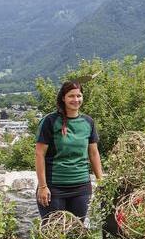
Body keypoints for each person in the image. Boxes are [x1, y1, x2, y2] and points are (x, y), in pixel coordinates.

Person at [34, 81, 103, 220]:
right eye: (71, 96)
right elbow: (39, 154)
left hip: (81, 188)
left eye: (79, 96)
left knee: (76, 232)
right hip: (54, 188)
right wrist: (42, 186)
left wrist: (101, 181)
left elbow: (94, 154)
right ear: (63, 98)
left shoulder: (88, 122)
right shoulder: (50, 121)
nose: (76, 100)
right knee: (54, 234)